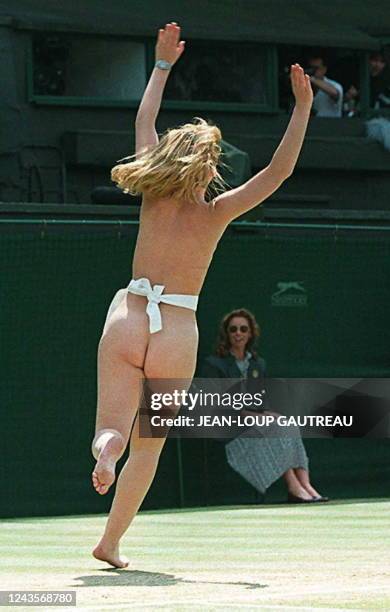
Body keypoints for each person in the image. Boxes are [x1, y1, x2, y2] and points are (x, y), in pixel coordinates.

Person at [91, 21, 313, 568]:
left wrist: (163, 65)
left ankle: (104, 449)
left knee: (115, 427)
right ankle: (110, 543)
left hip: (129, 313)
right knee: (150, 446)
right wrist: (302, 107)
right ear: (208, 167)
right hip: (177, 327)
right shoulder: (218, 211)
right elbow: (278, 171)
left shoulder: (150, 189)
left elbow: (144, 118)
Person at [202, 309, 328, 503]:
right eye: (233, 329)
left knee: (288, 425)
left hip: (254, 421)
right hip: (229, 426)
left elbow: (259, 401)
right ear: (226, 334)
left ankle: (306, 484)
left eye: (243, 329)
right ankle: (293, 486)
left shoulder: (258, 364)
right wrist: (246, 414)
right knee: (271, 428)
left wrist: (271, 414)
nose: (238, 333)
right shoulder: (214, 364)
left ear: (250, 333)